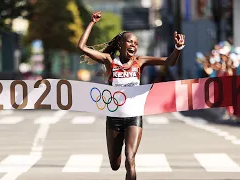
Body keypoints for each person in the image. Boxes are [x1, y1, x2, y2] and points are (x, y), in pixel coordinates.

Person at [77, 11, 185, 180]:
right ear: (120, 44)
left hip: (134, 116)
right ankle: (116, 161)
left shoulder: (139, 62)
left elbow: (169, 61)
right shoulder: (109, 61)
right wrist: (91, 23)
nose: (134, 45)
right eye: (130, 42)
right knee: (115, 164)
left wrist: (178, 48)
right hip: (114, 116)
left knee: (130, 159)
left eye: (136, 43)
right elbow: (82, 47)